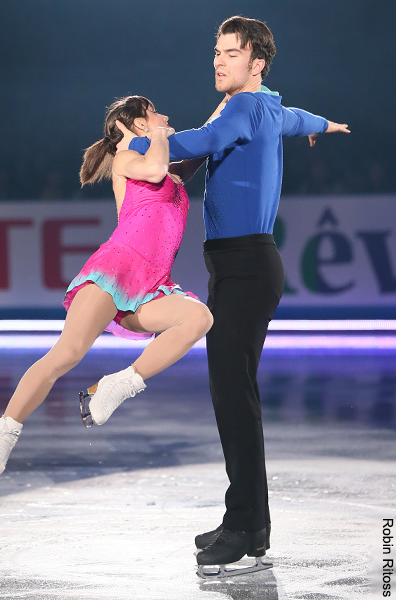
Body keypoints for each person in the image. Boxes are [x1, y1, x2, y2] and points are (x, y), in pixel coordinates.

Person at [116, 16, 350, 575]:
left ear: (257, 61)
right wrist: (325, 123)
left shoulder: (243, 108)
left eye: (230, 53)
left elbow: (202, 141)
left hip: (244, 267)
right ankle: (251, 520)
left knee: (232, 398)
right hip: (244, 267)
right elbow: (296, 119)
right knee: (235, 394)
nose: (218, 61)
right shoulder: (267, 105)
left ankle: (244, 525)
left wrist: (134, 142)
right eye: (216, 52)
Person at [0, 95, 213, 482]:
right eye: (154, 112)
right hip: (115, 272)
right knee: (67, 353)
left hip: (152, 286)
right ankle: (3, 434)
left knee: (199, 317)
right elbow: (156, 169)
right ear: (138, 124)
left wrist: (238, 99)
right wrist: (160, 136)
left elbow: (208, 137)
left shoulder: (163, 161)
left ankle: (118, 385)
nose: (164, 114)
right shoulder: (128, 158)